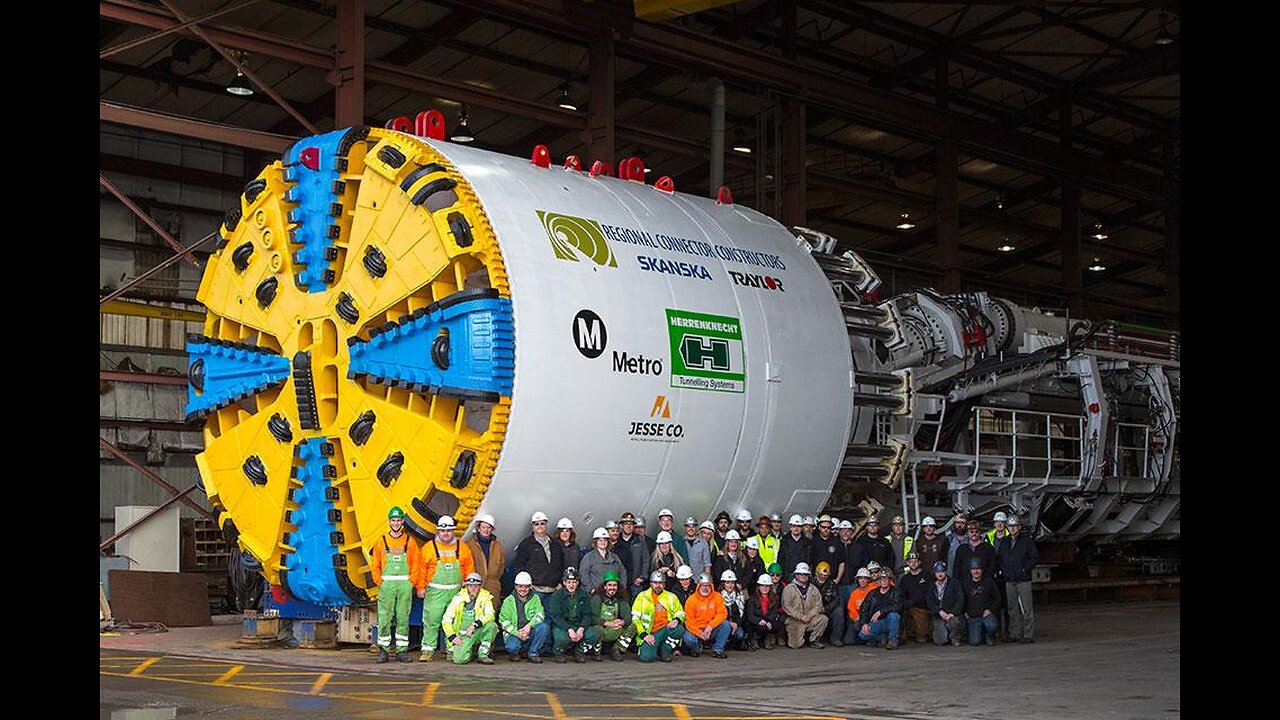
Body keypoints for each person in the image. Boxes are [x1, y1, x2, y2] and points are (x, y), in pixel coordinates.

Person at [417, 515, 475, 662]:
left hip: (455, 592)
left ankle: (452, 650)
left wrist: (469, 588)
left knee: (454, 622)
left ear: (453, 531)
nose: (446, 533)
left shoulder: (463, 548)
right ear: (438, 531)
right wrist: (420, 588)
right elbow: (421, 569)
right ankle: (427, 650)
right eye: (443, 530)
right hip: (434, 592)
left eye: (449, 530)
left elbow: (469, 568)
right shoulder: (428, 548)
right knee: (431, 621)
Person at [371, 506, 418, 663]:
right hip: (387, 586)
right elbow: (375, 565)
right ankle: (383, 651)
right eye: (393, 520)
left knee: (403, 618)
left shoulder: (410, 542)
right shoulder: (381, 542)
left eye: (398, 520)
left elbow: (416, 564)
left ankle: (401, 651)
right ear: (389, 521)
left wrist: (411, 582)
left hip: (404, 585)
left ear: (402, 522)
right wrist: (380, 582)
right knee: (384, 619)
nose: (396, 523)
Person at [995, 515, 1039, 643]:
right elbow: (999, 558)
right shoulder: (1004, 542)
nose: (1012, 528)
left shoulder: (1027, 541)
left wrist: (1025, 569)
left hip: (1023, 579)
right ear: (1007, 527)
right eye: (1010, 526)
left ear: (1019, 527)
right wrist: (1003, 570)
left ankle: (1028, 635)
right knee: (1012, 608)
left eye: (1015, 526)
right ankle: (1014, 633)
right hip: (1009, 580)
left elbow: (1034, 558)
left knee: (1026, 608)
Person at [441, 572, 498, 664]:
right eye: (470, 586)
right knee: (459, 660)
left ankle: (483, 655)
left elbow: (490, 614)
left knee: (492, 626)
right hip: (462, 635)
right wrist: (452, 636)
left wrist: (475, 624)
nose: (473, 589)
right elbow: (446, 620)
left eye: (476, 586)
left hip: (476, 631)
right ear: (466, 586)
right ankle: (468, 650)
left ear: (480, 586)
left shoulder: (485, 596)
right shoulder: (458, 598)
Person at [547, 567, 599, 662]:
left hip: (578, 624)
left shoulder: (583, 595)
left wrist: (581, 629)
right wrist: (569, 630)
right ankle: (559, 653)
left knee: (594, 634)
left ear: (578, 583)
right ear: (564, 582)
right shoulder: (557, 596)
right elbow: (556, 617)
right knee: (561, 638)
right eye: (569, 582)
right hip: (563, 626)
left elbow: (587, 615)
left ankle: (579, 652)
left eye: (574, 582)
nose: (571, 585)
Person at [632, 570, 685, 662]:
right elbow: (635, 618)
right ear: (650, 583)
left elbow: (681, 613)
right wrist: (644, 635)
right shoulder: (642, 596)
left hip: (665, 630)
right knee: (646, 658)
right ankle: (655, 648)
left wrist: (676, 620)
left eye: (661, 583)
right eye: (655, 583)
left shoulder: (671, 597)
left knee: (679, 629)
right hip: (649, 633)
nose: (658, 585)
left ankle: (665, 650)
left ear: (664, 584)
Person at [512, 511, 564, 603]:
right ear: (533, 526)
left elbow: (561, 564)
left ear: (546, 525)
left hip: (553, 590)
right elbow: (519, 565)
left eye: (542, 523)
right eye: (536, 524)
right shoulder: (526, 544)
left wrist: (560, 582)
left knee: (552, 616)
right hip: (535, 590)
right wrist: (526, 584)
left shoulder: (555, 544)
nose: (540, 526)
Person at [498, 571, 550, 663]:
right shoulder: (508, 601)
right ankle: (515, 654)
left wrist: (528, 627)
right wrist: (517, 633)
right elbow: (503, 621)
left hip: (529, 631)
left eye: (526, 586)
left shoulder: (535, 598)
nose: (523, 589)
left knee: (544, 627)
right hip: (514, 633)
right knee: (512, 647)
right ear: (515, 586)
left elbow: (540, 615)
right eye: (520, 586)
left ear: (530, 587)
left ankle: (532, 653)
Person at [683, 573, 732, 658]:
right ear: (698, 586)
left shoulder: (717, 597)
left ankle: (718, 650)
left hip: (711, 628)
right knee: (688, 639)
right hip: (696, 629)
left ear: (711, 586)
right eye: (703, 585)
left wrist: (710, 626)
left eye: (708, 586)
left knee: (726, 624)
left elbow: (722, 613)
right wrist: (699, 633)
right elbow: (689, 621)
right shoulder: (691, 600)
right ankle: (696, 647)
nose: (705, 588)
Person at [590, 570, 636, 661]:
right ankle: (596, 652)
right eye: (609, 585)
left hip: (616, 628)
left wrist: (622, 622)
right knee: (596, 629)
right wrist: (608, 623)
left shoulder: (621, 598)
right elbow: (592, 617)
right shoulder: (597, 597)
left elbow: (628, 616)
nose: (612, 588)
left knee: (633, 626)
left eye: (614, 585)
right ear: (605, 586)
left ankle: (617, 649)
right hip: (602, 629)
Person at [780, 562, 827, 648]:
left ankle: (814, 640)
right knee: (795, 645)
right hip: (794, 620)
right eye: (800, 574)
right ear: (796, 575)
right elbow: (786, 606)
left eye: (805, 574)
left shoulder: (813, 589)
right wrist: (800, 616)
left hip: (810, 619)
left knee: (823, 619)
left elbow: (818, 605)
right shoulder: (789, 589)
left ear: (809, 576)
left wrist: (809, 615)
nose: (803, 576)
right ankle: (796, 636)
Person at [465, 513, 506, 608]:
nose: (486, 530)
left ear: (492, 529)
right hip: (474, 585)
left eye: (489, 528)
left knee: (491, 613)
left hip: (493, 586)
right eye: (483, 527)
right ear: (478, 528)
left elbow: (501, 566)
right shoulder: (469, 545)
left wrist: (493, 578)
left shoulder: (498, 546)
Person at [857, 567, 902, 649]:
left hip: (890, 622)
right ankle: (882, 638)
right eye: (881, 579)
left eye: (886, 578)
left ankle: (893, 641)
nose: (884, 581)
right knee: (862, 634)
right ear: (878, 580)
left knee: (894, 615)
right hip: (877, 623)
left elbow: (898, 606)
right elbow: (864, 608)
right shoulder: (872, 593)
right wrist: (864, 623)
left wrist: (881, 612)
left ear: (890, 580)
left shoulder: (896, 591)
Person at [961, 558, 1001, 646]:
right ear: (970, 570)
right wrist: (965, 612)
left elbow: (997, 598)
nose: (976, 571)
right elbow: (961, 599)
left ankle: (989, 635)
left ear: (982, 570)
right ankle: (981, 633)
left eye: (978, 569)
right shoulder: (965, 583)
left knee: (992, 625)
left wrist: (990, 609)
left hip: (986, 614)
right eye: (973, 569)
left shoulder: (989, 582)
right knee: (974, 642)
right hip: (972, 616)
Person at [926, 561, 965, 646]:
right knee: (940, 641)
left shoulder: (954, 583)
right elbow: (929, 601)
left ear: (946, 572)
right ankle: (945, 634)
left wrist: (953, 613)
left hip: (952, 614)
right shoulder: (931, 585)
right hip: (939, 615)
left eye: (942, 571)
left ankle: (955, 638)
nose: (940, 574)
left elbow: (960, 599)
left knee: (954, 622)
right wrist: (939, 611)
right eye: (937, 572)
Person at [580, 527, 627, 593]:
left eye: (605, 540)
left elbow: (622, 573)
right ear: (596, 542)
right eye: (600, 540)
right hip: (596, 594)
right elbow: (584, 574)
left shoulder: (614, 557)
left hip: (612, 594)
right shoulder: (589, 557)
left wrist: (622, 588)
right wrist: (591, 589)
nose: (603, 542)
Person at [897, 552, 931, 643]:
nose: (913, 564)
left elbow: (930, 593)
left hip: (923, 606)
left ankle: (922, 633)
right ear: (907, 563)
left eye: (915, 561)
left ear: (919, 562)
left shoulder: (927, 576)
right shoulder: (905, 579)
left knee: (918, 613)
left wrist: (917, 600)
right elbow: (901, 595)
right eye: (911, 561)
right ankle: (902, 635)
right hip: (909, 605)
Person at [745, 573, 783, 650]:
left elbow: (774, 613)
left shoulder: (775, 598)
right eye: (762, 585)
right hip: (755, 623)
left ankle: (767, 638)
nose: (765, 588)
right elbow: (750, 615)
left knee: (778, 625)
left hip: (766, 621)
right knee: (761, 627)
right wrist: (759, 621)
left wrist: (768, 621)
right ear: (758, 587)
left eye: (767, 586)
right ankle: (754, 638)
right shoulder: (752, 599)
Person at [616, 512, 649, 595]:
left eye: (631, 524)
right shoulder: (616, 541)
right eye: (626, 524)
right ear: (621, 526)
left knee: (636, 606)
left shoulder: (640, 540)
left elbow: (646, 559)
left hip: (635, 582)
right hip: (620, 582)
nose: (629, 526)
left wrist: (642, 577)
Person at [812, 561, 843, 646]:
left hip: (827, 609)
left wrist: (826, 609)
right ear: (816, 573)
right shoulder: (810, 583)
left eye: (825, 575)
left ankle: (836, 638)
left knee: (839, 611)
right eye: (821, 574)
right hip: (813, 609)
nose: (823, 577)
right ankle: (813, 639)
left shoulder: (832, 584)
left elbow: (836, 600)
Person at [842, 567, 876, 645]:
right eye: (860, 578)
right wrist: (857, 618)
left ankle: (878, 638)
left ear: (868, 580)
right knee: (848, 641)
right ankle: (866, 639)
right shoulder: (854, 593)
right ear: (857, 580)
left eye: (865, 578)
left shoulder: (874, 589)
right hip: (859, 619)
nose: (863, 580)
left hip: (871, 618)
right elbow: (851, 608)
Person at [718, 570, 748, 650]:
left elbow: (743, 614)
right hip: (722, 624)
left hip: (736, 624)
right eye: (727, 582)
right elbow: (716, 614)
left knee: (740, 634)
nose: (730, 585)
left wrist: (737, 623)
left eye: (732, 582)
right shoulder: (718, 597)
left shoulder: (740, 596)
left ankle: (732, 643)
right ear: (723, 584)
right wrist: (729, 623)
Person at [778, 515, 813, 579]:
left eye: (799, 526)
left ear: (802, 527)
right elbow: (781, 559)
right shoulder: (784, 541)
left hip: (803, 575)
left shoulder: (808, 542)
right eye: (794, 526)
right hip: (787, 575)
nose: (796, 528)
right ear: (790, 527)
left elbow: (810, 560)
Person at [810, 516, 843, 585]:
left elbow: (842, 562)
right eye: (823, 527)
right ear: (819, 527)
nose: (826, 529)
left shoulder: (836, 541)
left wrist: (837, 580)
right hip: (816, 580)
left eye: (828, 527)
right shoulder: (813, 541)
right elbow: (809, 561)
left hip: (832, 580)